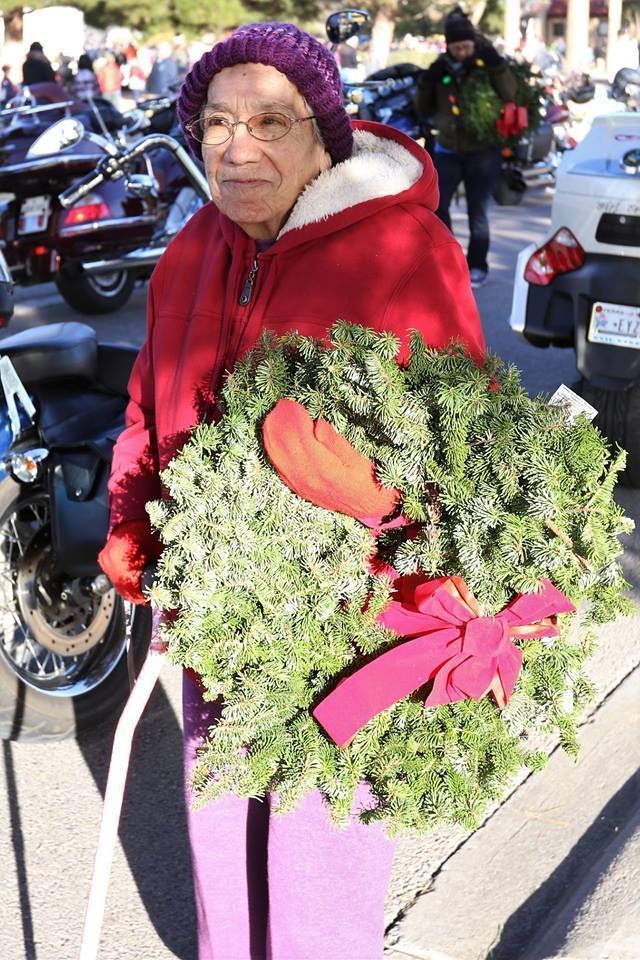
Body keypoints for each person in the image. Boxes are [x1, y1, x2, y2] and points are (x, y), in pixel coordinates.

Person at [97, 21, 485, 959]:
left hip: (346, 620)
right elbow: (149, 402)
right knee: (220, 818)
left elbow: (463, 444)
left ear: (325, 137)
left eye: (271, 121)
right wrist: (132, 524)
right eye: (218, 124)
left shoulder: (403, 246)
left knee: (320, 849)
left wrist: (391, 522)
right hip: (214, 603)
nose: (238, 147)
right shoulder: (195, 246)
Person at [415, 8, 516, 288]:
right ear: (448, 46)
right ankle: (448, 260)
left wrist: (496, 65)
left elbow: (510, 93)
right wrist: (427, 81)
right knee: (438, 206)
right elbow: (423, 107)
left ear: (474, 44)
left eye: (466, 47)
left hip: (483, 151)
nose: (462, 53)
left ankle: (477, 266)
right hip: (447, 150)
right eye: (456, 48)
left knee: (477, 211)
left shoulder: (486, 66)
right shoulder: (442, 68)